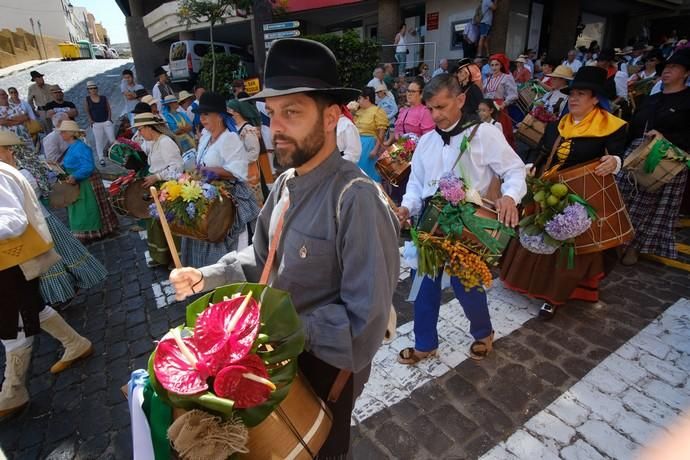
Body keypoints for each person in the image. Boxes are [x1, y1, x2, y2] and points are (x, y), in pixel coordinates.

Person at [169, 38, 400, 458]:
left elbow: (365, 325)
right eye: (272, 113)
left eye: (292, 112)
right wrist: (208, 276)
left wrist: (282, 327)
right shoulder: (285, 182)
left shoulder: (356, 198)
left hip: (325, 372)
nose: (276, 127)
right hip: (276, 361)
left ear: (331, 117)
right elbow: (261, 259)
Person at [396, 74, 526, 364]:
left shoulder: (484, 134)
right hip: (429, 225)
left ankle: (483, 332)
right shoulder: (427, 141)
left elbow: (515, 170)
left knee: (467, 286)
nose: (435, 115)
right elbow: (416, 184)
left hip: (465, 225)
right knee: (422, 286)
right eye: (430, 109)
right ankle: (425, 343)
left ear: (461, 99)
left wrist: (510, 196)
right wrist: (406, 207)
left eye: (441, 107)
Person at [501, 66, 627, 320]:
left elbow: (616, 154)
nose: (574, 98)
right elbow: (544, 152)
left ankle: (554, 297)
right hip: (549, 192)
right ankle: (533, 284)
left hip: (580, 199)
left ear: (595, 98)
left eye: (581, 94)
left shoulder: (612, 126)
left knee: (569, 249)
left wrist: (614, 161)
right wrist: (532, 165)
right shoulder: (558, 125)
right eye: (572, 93)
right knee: (539, 238)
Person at [0, 132, 93, 418]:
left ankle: (13, 391)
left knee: (14, 324)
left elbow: (13, 219)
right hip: (10, 264)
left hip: (10, 265)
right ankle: (75, 343)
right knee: (32, 309)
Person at [0, 130, 107, 307]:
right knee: (60, 254)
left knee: (52, 259)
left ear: (10, 152)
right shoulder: (17, 172)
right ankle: (65, 290)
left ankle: (64, 294)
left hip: (36, 223)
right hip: (38, 220)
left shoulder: (21, 174)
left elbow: (28, 199)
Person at [618, 49, 690, 265]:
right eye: (666, 67)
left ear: (686, 73)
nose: (667, 71)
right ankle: (616, 239)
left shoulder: (688, 100)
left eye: (674, 68)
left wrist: (665, 138)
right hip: (637, 153)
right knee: (621, 195)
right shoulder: (652, 98)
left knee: (647, 206)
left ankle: (634, 246)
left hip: (667, 159)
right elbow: (635, 125)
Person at [182, 92, 259, 267]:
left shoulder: (229, 138)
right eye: (200, 115)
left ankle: (232, 278)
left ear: (220, 116)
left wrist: (205, 170)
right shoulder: (206, 137)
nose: (202, 118)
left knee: (227, 240)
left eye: (206, 114)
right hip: (208, 195)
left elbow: (238, 172)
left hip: (228, 198)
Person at [133, 112, 184, 268]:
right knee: (156, 225)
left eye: (140, 129)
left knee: (170, 225)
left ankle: (177, 259)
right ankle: (161, 257)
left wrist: (157, 177)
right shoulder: (154, 142)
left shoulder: (165, 142)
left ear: (150, 127)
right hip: (157, 188)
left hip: (168, 187)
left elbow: (177, 168)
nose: (139, 134)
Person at [58, 120, 119, 242]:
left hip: (86, 182)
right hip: (76, 181)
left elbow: (88, 166)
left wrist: (75, 176)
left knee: (90, 207)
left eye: (63, 132)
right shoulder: (72, 147)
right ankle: (86, 231)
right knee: (82, 208)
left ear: (70, 133)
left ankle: (95, 231)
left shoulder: (81, 147)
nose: (61, 134)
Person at [226, 98, 266, 207]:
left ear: (236, 112)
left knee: (255, 202)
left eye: (228, 111)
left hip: (250, 171)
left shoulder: (248, 129)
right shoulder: (233, 128)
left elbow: (254, 151)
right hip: (240, 172)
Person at [354, 86, 389, 182]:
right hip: (358, 142)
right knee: (357, 170)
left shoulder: (377, 111)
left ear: (367, 98)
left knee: (368, 172)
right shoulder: (359, 111)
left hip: (369, 143)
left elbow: (381, 131)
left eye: (360, 98)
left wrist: (375, 149)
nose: (358, 101)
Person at [484, 53, 518, 147]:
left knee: (500, 133)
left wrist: (503, 104)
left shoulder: (506, 77)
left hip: (499, 108)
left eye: (496, 65)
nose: (494, 67)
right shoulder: (487, 79)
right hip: (487, 108)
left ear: (501, 65)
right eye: (492, 65)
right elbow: (484, 94)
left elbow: (513, 95)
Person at [84, 81, 115, 166]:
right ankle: (101, 158)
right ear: (88, 90)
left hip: (106, 121)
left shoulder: (103, 98)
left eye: (94, 88)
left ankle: (116, 155)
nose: (93, 90)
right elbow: (87, 110)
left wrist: (109, 119)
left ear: (97, 89)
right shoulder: (87, 99)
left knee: (112, 139)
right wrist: (90, 120)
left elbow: (108, 108)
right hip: (96, 123)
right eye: (91, 89)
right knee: (99, 141)